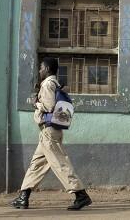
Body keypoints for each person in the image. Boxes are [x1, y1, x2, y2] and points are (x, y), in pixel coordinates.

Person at [10, 57, 92, 210]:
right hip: (49, 132)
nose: (40, 70)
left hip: (49, 132)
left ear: (47, 69)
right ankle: (24, 196)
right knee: (36, 164)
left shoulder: (48, 84)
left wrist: (36, 103)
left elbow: (49, 107)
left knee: (60, 164)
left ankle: (81, 195)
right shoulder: (55, 84)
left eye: (41, 67)